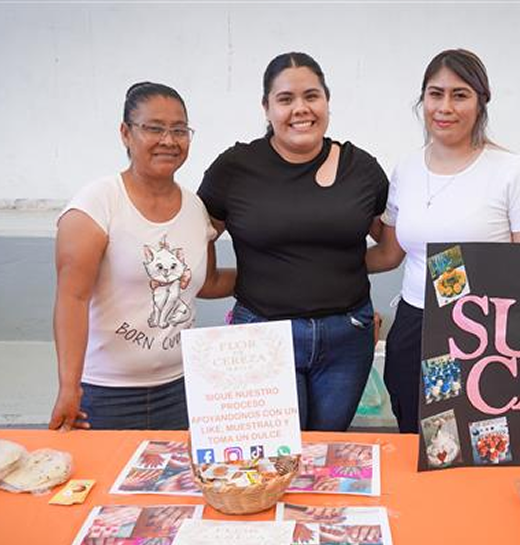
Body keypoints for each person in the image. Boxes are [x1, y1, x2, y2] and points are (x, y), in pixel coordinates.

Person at [198, 52, 389, 432]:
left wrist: (330, 268)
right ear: (266, 107)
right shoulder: (234, 169)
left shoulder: (362, 169)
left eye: (311, 96)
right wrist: (247, 277)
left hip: (347, 337)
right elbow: (197, 237)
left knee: (326, 450)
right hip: (261, 336)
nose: (300, 109)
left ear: (327, 101)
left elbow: (390, 251)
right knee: (276, 454)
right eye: (285, 99)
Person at [367, 49, 520, 433]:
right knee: (418, 435)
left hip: (481, 333)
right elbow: (389, 254)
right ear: (423, 100)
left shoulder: (510, 171)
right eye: (436, 94)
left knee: (473, 439)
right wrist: (320, 260)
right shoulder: (407, 169)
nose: (445, 107)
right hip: (415, 325)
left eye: (460, 95)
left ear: (481, 102)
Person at [50, 82, 234, 431]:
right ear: (126, 133)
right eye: (154, 128)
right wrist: (69, 387)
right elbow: (72, 299)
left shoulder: (196, 209)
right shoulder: (96, 204)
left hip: (181, 389)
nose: (168, 140)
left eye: (179, 130)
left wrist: (277, 275)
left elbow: (207, 283)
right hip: (105, 393)